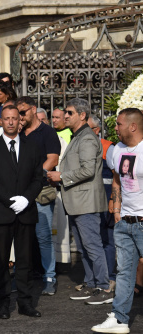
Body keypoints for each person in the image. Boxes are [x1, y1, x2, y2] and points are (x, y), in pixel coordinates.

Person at [0, 105, 43, 320]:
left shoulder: (33, 147)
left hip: (26, 211)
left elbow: (38, 177)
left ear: (20, 121)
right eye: (6, 118)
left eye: (14, 118)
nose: (9, 122)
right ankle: (3, 302)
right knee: (0, 260)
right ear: (2, 121)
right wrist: (9, 200)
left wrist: (26, 198)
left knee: (26, 260)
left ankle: (26, 302)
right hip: (1, 211)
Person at [47, 98, 111, 305]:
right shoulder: (79, 136)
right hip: (77, 201)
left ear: (82, 115)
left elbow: (88, 170)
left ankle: (102, 286)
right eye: (65, 112)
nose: (65, 115)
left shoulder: (87, 139)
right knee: (84, 246)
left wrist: (62, 176)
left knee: (92, 245)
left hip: (86, 202)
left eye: (69, 112)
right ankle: (92, 283)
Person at [91, 108, 143, 334]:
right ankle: (120, 319)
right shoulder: (116, 150)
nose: (115, 128)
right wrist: (117, 210)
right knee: (124, 271)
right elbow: (117, 179)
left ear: (133, 126)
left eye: (119, 124)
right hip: (124, 222)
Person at [17, 96, 61, 296]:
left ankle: (49, 276)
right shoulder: (17, 132)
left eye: (23, 112)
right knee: (21, 236)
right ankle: (22, 276)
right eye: (18, 113)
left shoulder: (47, 132)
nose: (20, 116)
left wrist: (33, 176)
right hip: (20, 192)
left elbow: (52, 159)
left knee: (43, 237)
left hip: (41, 191)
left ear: (33, 109)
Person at [88, 115, 117, 292]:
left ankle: (109, 278)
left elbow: (116, 175)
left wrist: (113, 200)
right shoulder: (82, 145)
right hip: (90, 199)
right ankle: (95, 278)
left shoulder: (108, 147)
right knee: (92, 239)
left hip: (106, 198)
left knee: (107, 239)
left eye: (88, 128)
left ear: (97, 130)